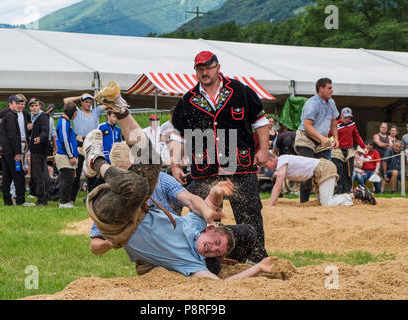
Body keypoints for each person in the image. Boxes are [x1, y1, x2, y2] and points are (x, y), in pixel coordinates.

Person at [82, 104, 278, 279]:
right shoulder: (194, 225)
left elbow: (194, 201)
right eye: (217, 243)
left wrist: (257, 269)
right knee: (150, 168)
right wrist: (217, 192)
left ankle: (96, 160)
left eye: (217, 251)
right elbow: (209, 202)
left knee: (140, 184)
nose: (214, 248)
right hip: (116, 209)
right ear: (209, 228)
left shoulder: (192, 262)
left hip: (121, 228)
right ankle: (120, 111)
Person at [169, 51, 270, 264]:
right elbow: (178, 134)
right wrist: (175, 163)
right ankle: (205, 259)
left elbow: (260, 121)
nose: (205, 72)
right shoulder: (187, 101)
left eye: (208, 67)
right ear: (195, 71)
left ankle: (256, 257)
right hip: (205, 168)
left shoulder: (241, 91)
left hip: (240, 166)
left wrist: (263, 149)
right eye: (200, 69)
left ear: (218, 67)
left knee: (250, 212)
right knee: (203, 215)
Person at [262, 153, 376, 206]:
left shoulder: (282, 160)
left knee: (326, 203)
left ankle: (357, 194)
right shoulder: (282, 162)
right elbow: (279, 175)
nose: (267, 168)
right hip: (320, 170)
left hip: (324, 169)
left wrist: (270, 205)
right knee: (324, 201)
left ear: (271, 159)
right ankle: (357, 192)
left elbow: (278, 185)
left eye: (266, 165)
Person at [294, 77, 339, 203]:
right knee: (307, 171)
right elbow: (307, 125)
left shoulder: (331, 102)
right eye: (329, 88)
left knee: (325, 169)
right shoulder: (312, 103)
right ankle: (304, 202)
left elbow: (334, 122)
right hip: (306, 138)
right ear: (321, 89)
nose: (332, 91)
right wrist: (322, 138)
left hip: (321, 140)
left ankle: (323, 200)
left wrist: (335, 138)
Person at [63, 93, 109, 202]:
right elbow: (66, 100)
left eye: (90, 102)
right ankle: (71, 199)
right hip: (79, 143)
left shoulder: (95, 112)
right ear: (82, 103)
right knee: (77, 173)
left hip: (91, 144)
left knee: (92, 173)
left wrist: (96, 98)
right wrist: (79, 97)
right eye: (86, 102)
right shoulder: (77, 113)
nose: (88, 104)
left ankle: (91, 198)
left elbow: (106, 104)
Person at [0, 95, 33, 206]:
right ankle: (21, 200)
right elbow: (13, 135)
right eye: (16, 103)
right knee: (19, 175)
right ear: (10, 104)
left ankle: (7, 200)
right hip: (12, 151)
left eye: (20, 103)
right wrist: (17, 152)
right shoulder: (11, 116)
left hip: (5, 150)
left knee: (6, 176)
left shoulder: (4, 115)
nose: (18, 105)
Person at [329, 107, 366, 194]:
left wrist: (363, 146)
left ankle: (347, 193)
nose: (347, 119)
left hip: (349, 151)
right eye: (345, 117)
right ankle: (337, 193)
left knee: (349, 173)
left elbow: (356, 135)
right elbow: (328, 135)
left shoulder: (352, 124)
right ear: (341, 116)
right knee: (339, 173)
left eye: (349, 117)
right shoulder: (335, 125)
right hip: (337, 150)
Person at [56, 102, 79, 208]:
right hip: (64, 156)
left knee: (68, 178)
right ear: (72, 113)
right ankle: (64, 202)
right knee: (67, 179)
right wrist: (71, 156)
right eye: (75, 113)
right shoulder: (64, 122)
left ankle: (66, 200)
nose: (76, 115)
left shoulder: (67, 122)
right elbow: (64, 140)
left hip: (68, 155)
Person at [27, 98, 50, 206]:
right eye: (32, 106)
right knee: (37, 175)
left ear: (39, 106)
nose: (34, 108)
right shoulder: (32, 117)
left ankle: (42, 199)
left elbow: (45, 131)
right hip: (34, 149)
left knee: (38, 175)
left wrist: (39, 138)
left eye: (36, 106)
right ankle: (41, 197)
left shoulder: (43, 116)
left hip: (40, 149)